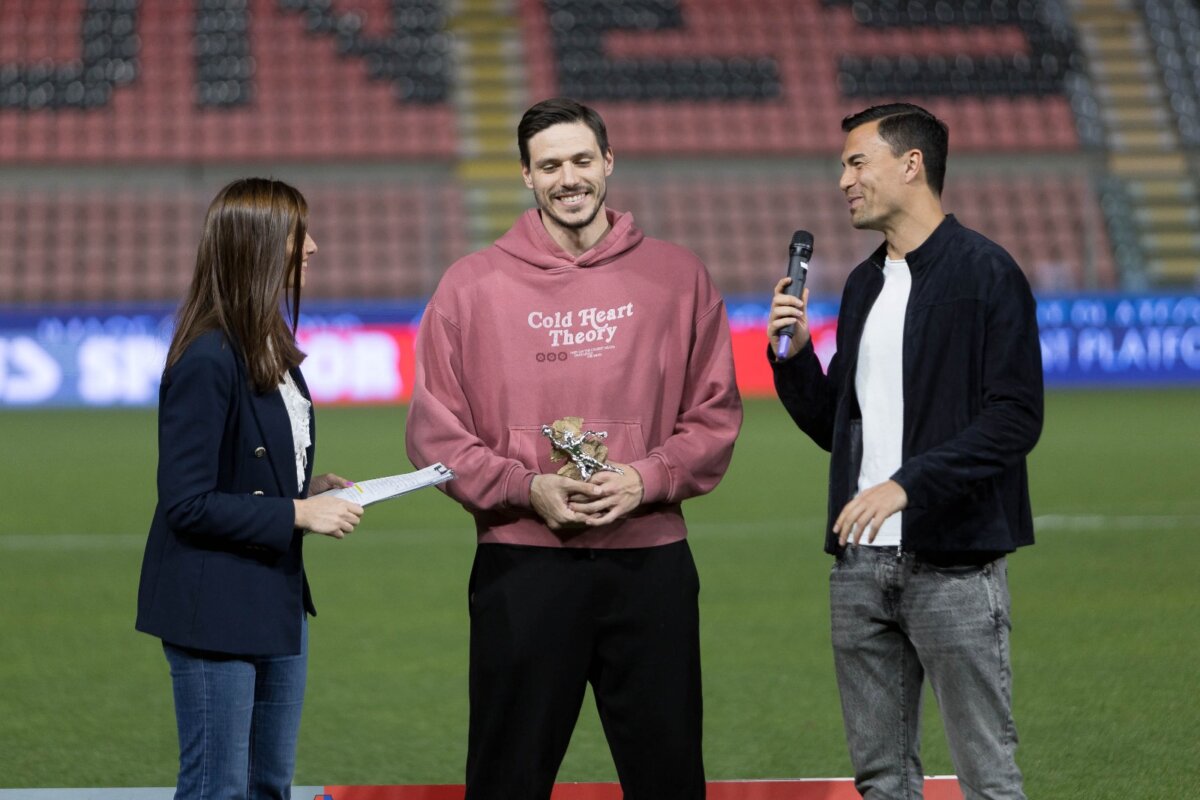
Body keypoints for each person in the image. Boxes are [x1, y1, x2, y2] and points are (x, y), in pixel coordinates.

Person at [406, 97, 743, 799]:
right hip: (522, 564)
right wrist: (525, 487)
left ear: (608, 162)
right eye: (550, 164)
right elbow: (434, 433)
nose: (569, 178)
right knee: (506, 781)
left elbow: (714, 415)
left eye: (582, 160)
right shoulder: (468, 286)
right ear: (526, 175)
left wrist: (646, 478)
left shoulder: (679, 276)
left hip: (649, 562)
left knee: (669, 780)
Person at [766, 103, 1043, 800]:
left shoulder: (987, 272)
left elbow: (1015, 419)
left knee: (988, 778)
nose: (843, 181)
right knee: (882, 780)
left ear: (911, 164)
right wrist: (795, 362)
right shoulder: (863, 284)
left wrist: (909, 483)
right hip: (859, 566)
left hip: (954, 565)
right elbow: (838, 426)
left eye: (857, 162)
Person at [136, 177, 364, 800]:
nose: (312, 247)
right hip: (215, 605)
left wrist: (306, 486)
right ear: (257, 246)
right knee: (218, 787)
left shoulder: (266, 342)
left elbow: (245, 464)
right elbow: (187, 503)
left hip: (274, 596)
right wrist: (298, 513)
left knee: (267, 785)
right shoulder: (208, 357)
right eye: (298, 234)